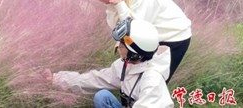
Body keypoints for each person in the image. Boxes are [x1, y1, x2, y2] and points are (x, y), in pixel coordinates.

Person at [83, 0, 192, 82]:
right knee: (134, 82)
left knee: (153, 82)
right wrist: (111, 5)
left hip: (172, 39)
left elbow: (135, 30)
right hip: (149, 39)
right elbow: (117, 28)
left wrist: (119, 4)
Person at [42, 18, 174, 108]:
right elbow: (95, 79)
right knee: (102, 96)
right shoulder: (126, 65)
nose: (117, 48)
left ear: (135, 54)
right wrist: (57, 79)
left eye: (122, 46)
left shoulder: (152, 80)